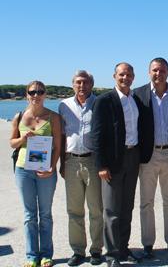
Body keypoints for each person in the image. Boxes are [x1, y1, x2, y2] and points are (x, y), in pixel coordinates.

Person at [133, 58, 168, 258]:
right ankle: (147, 244)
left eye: (162, 70)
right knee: (146, 201)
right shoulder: (138, 94)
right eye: (154, 70)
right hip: (148, 154)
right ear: (149, 72)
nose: (158, 74)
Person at [91, 62, 141, 267]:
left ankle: (123, 248)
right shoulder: (104, 101)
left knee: (127, 207)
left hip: (133, 157)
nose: (125, 78)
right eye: (121, 74)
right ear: (114, 76)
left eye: (129, 75)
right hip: (112, 161)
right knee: (111, 210)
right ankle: (111, 255)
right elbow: (97, 135)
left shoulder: (135, 99)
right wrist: (101, 165)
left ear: (133, 77)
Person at [10, 80, 62, 267]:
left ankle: (46, 254)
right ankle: (32, 256)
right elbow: (12, 143)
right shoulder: (19, 116)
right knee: (29, 215)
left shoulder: (53, 117)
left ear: (45, 94)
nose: (36, 95)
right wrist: (22, 138)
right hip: (23, 170)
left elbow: (57, 146)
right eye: (32, 92)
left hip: (45, 171)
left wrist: (52, 166)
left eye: (40, 92)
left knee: (45, 214)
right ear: (27, 94)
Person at [59, 70, 103, 266]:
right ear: (73, 85)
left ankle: (96, 250)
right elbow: (61, 137)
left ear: (91, 84)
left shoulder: (100, 103)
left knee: (96, 209)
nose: (82, 86)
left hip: (93, 161)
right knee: (74, 210)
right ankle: (78, 251)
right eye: (78, 82)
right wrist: (61, 162)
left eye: (85, 82)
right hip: (71, 161)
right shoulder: (64, 106)